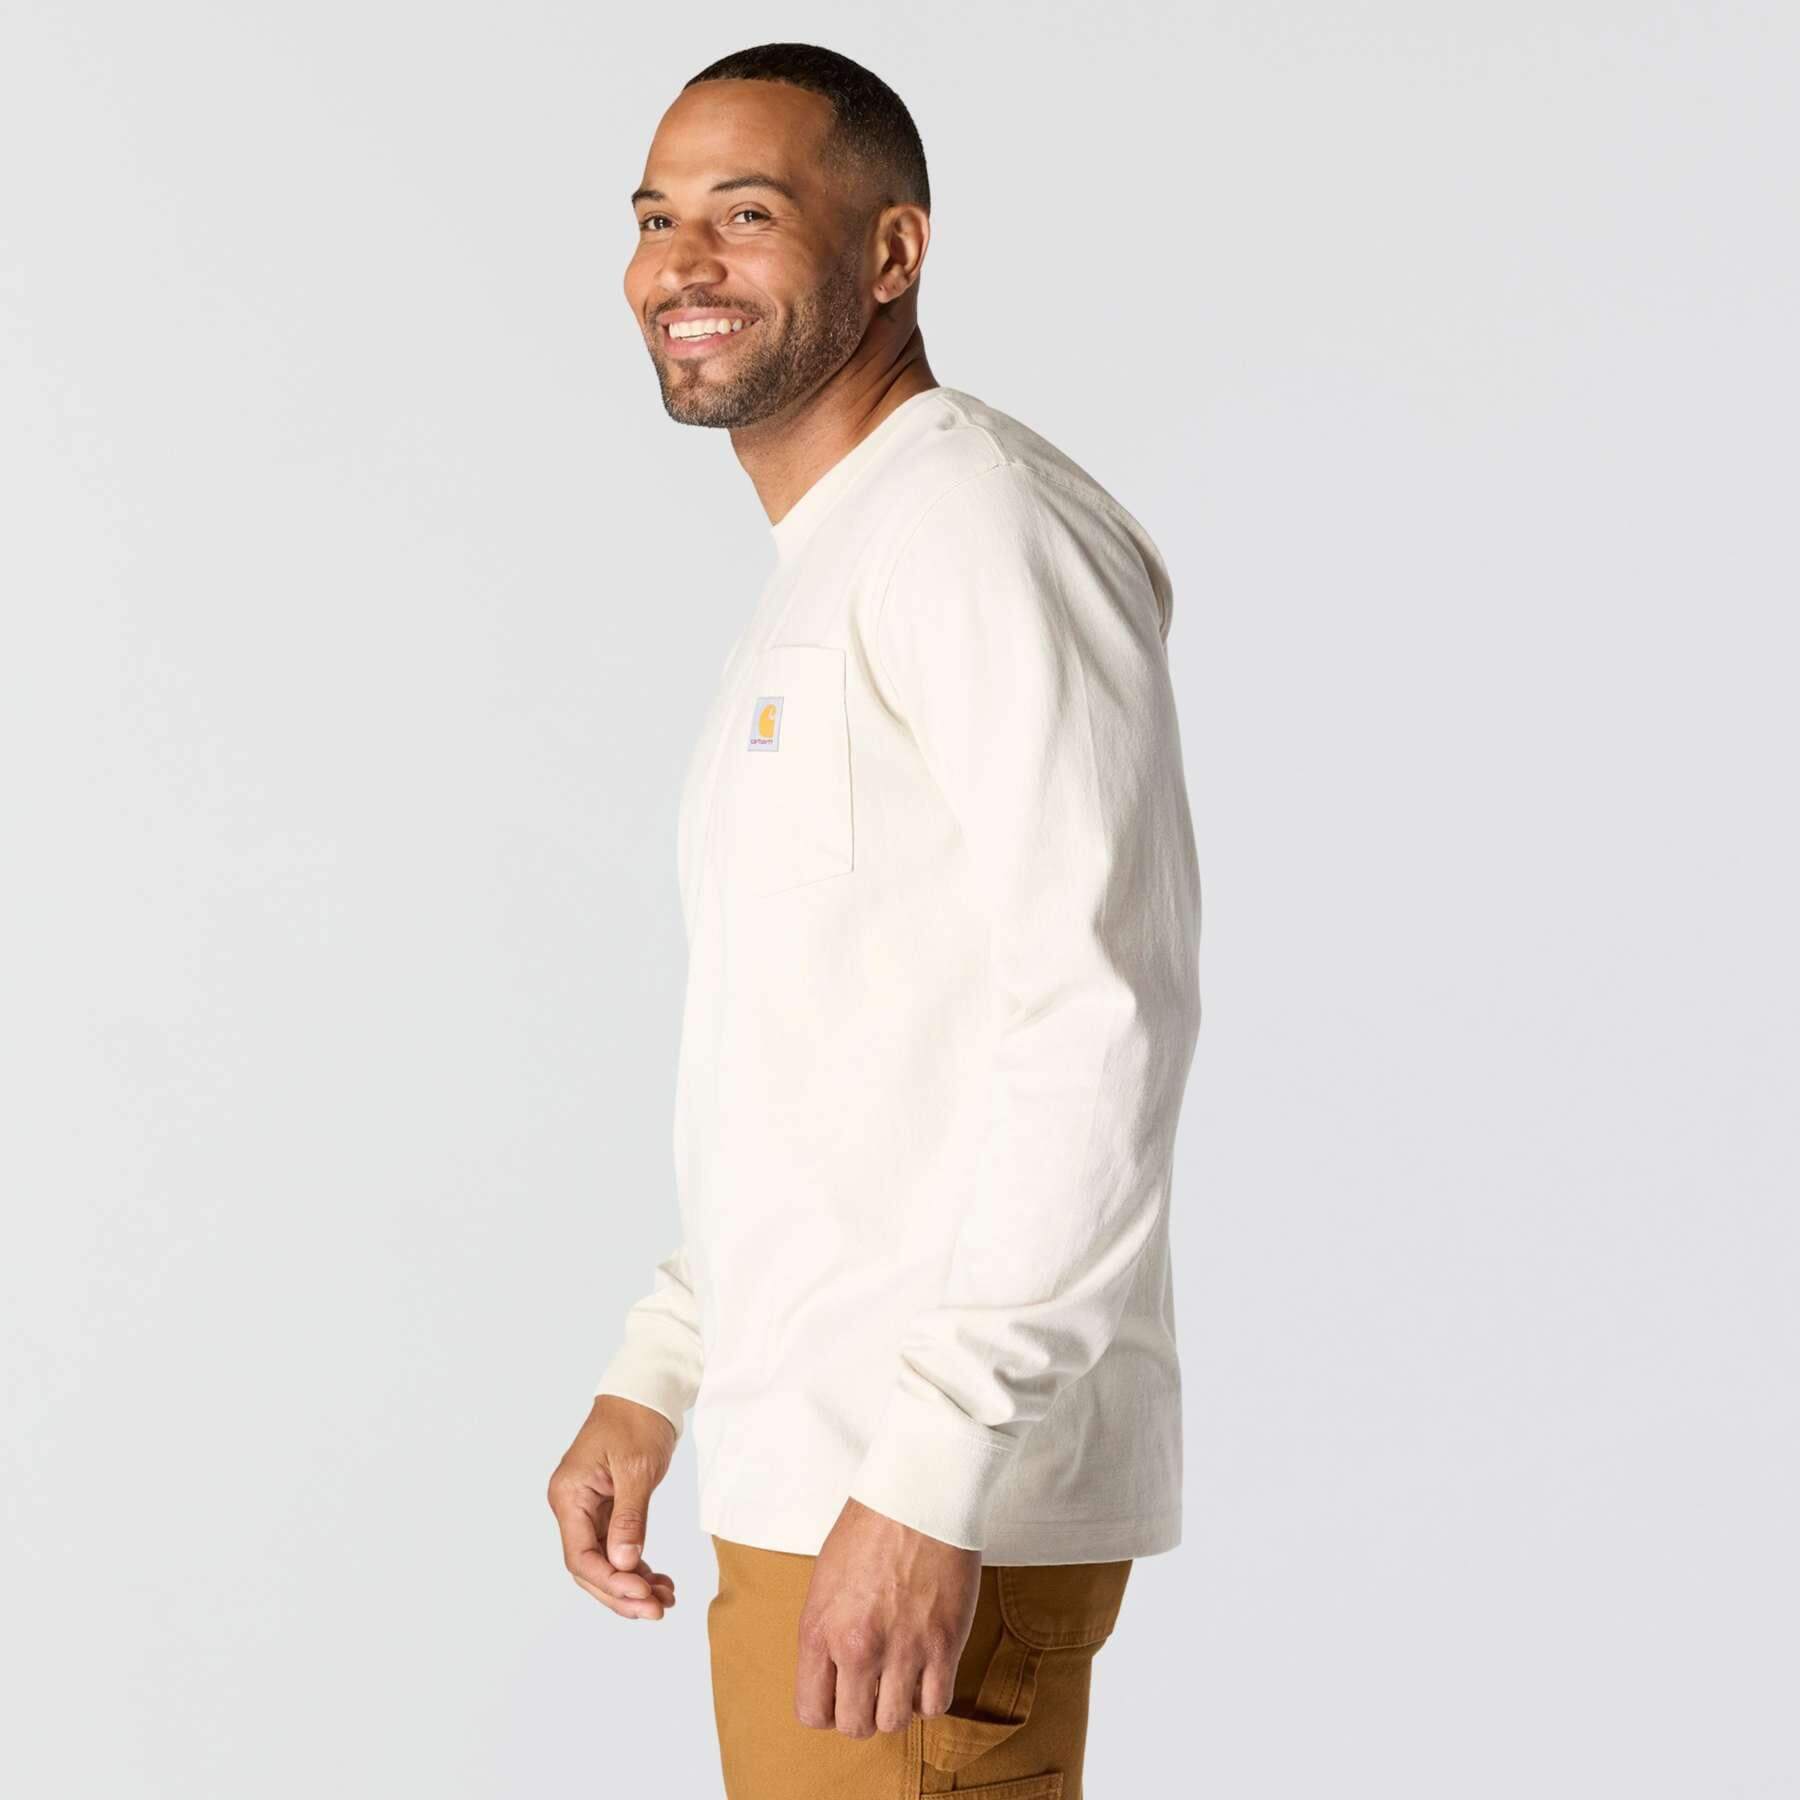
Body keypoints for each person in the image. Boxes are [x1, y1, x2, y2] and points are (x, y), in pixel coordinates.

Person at [547, 41, 1202, 1799]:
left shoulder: (974, 527)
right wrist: (664, 1366)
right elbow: (822, 1055)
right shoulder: (837, 562)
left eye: (746, 215)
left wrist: (932, 1476)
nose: (682, 264)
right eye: (656, 218)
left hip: (917, 1507)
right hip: (819, 1481)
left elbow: (1104, 1016)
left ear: (892, 252)